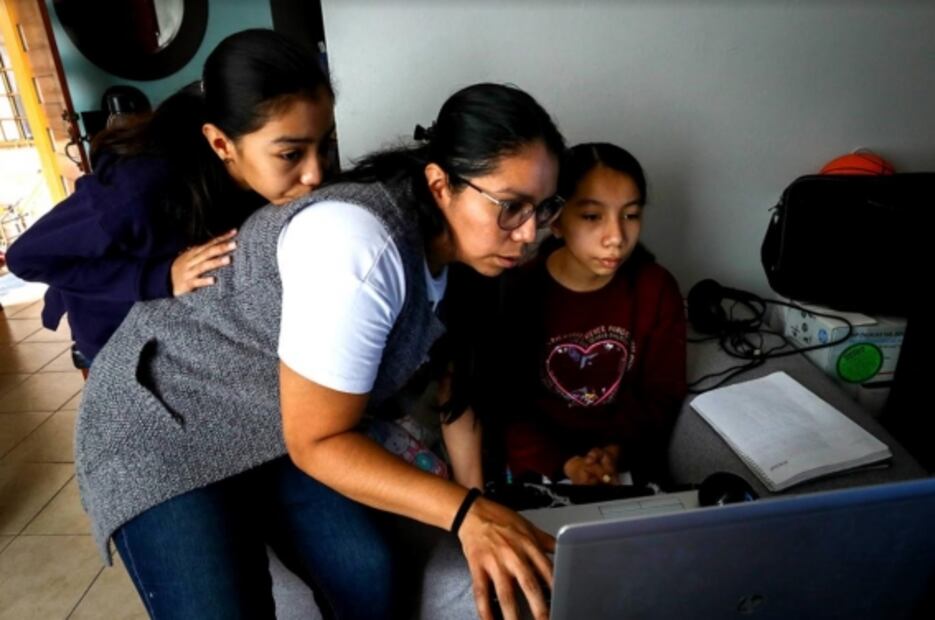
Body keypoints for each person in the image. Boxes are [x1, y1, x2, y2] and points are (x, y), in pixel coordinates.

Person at [75, 82, 566, 620]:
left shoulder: (471, 262)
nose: (528, 234)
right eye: (511, 207)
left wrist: (481, 512)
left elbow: (457, 391)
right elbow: (318, 441)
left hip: (271, 425)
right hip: (166, 421)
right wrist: (468, 514)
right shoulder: (359, 247)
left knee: (368, 570)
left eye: (542, 210)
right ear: (440, 183)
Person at [5, 29, 335, 372]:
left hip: (179, 326)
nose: (315, 174)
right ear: (222, 144)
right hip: (114, 342)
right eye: (291, 153)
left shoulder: (263, 176)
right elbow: (25, 257)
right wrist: (159, 276)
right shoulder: (137, 192)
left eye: (324, 145)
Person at [497, 143, 687, 487]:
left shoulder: (655, 289)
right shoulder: (517, 292)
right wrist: (567, 465)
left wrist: (613, 452)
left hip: (626, 464)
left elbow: (662, 394)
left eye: (630, 215)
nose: (616, 237)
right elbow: (508, 405)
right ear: (556, 220)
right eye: (591, 216)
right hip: (541, 470)